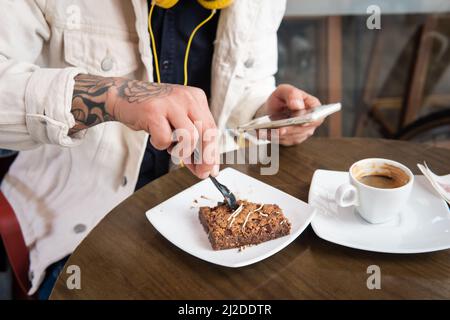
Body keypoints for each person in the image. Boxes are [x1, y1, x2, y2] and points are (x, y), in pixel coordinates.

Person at [0, 0, 323, 298]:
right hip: (79, 223)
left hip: (195, 209)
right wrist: (108, 95)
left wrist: (262, 112)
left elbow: (246, 84)